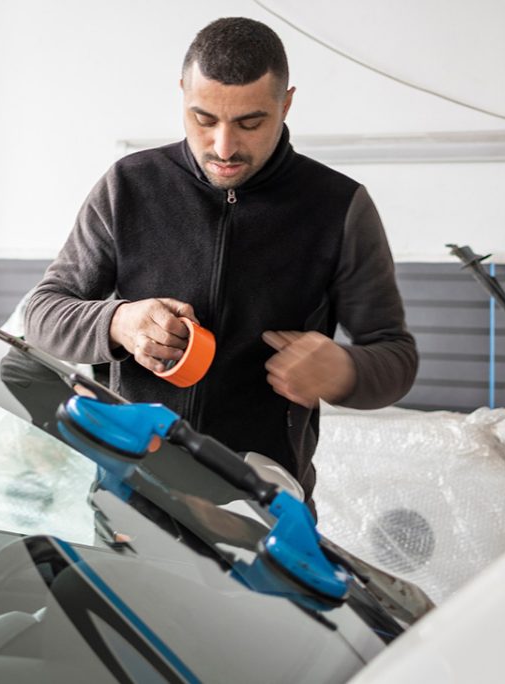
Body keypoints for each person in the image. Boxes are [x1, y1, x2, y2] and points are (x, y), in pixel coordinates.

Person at [24, 16, 417, 510]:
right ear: (182, 94)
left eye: (250, 123)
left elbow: (396, 356)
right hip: (130, 496)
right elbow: (41, 314)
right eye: (204, 120)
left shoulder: (338, 207)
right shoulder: (129, 186)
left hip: (265, 507)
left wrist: (345, 372)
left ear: (286, 103)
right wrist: (118, 322)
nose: (224, 147)